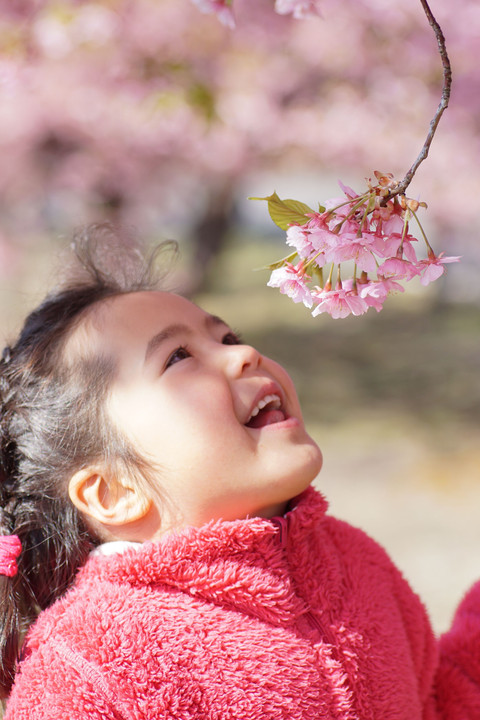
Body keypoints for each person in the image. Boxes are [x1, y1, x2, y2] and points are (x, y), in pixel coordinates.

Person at [0, 225, 479, 719]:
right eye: (178, 357)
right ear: (113, 492)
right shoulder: (87, 667)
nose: (243, 354)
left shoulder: (358, 563)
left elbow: (441, 704)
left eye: (228, 336)